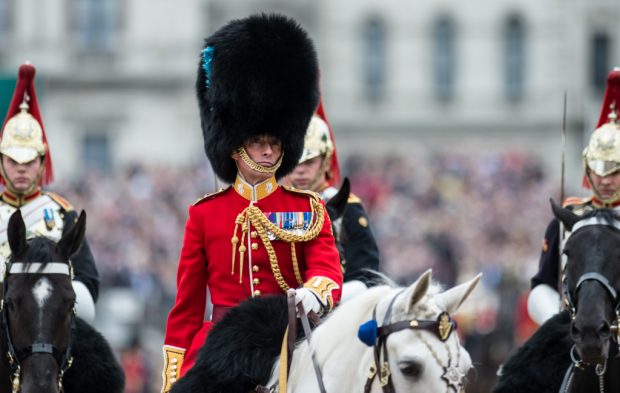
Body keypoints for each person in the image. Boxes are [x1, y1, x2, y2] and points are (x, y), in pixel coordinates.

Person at [161, 14, 343, 392]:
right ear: (236, 144)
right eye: (258, 142)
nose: (267, 151)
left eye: (274, 143)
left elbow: (328, 270)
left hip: (288, 341)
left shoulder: (307, 209)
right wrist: (172, 374)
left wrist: (313, 293)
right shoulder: (205, 214)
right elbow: (187, 308)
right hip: (222, 350)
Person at [0, 63, 99, 322]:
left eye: (29, 162)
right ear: (2, 163)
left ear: (42, 163)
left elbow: (87, 279)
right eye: (13, 161)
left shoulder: (62, 213)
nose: (21, 170)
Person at [528, 67, 620, 325]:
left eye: (614, 171)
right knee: (512, 367)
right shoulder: (569, 217)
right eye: (597, 170)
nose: (604, 180)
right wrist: (557, 322)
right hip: (577, 333)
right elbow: (543, 285)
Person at [287, 100, 380, 301]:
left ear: (325, 162)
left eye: (309, 162)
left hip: (335, 308)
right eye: (295, 163)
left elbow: (366, 274)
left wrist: (326, 298)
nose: (301, 169)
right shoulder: (277, 206)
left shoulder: (348, 208)